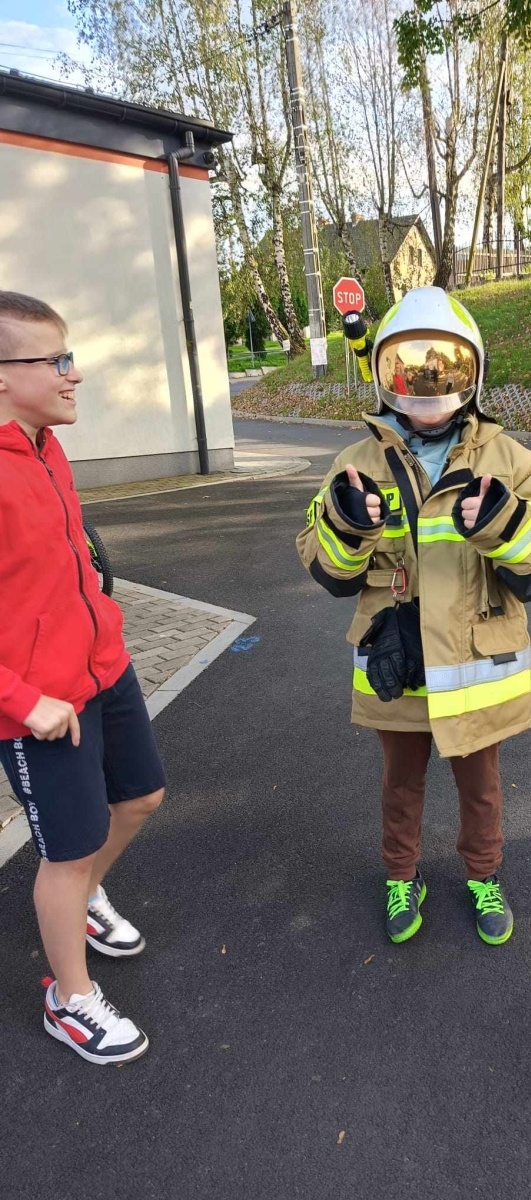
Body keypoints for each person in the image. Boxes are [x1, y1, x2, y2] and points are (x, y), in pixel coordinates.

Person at [297, 287, 531, 945]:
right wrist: (344, 522)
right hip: (399, 661)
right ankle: (401, 877)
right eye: (408, 366)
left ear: (471, 371)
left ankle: (484, 875)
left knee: (481, 790)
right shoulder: (355, 464)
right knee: (401, 787)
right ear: (384, 373)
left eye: (440, 366)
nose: (424, 382)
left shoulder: (510, 460)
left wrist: (507, 526)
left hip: (476, 665)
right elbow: (322, 564)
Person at [0, 292, 165, 1063]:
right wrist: (24, 701)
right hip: (38, 707)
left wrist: (101, 620)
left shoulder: (46, 446)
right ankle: (69, 1002)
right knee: (65, 856)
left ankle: (85, 898)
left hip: (104, 670)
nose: (76, 374)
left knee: (140, 798)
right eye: (56, 360)